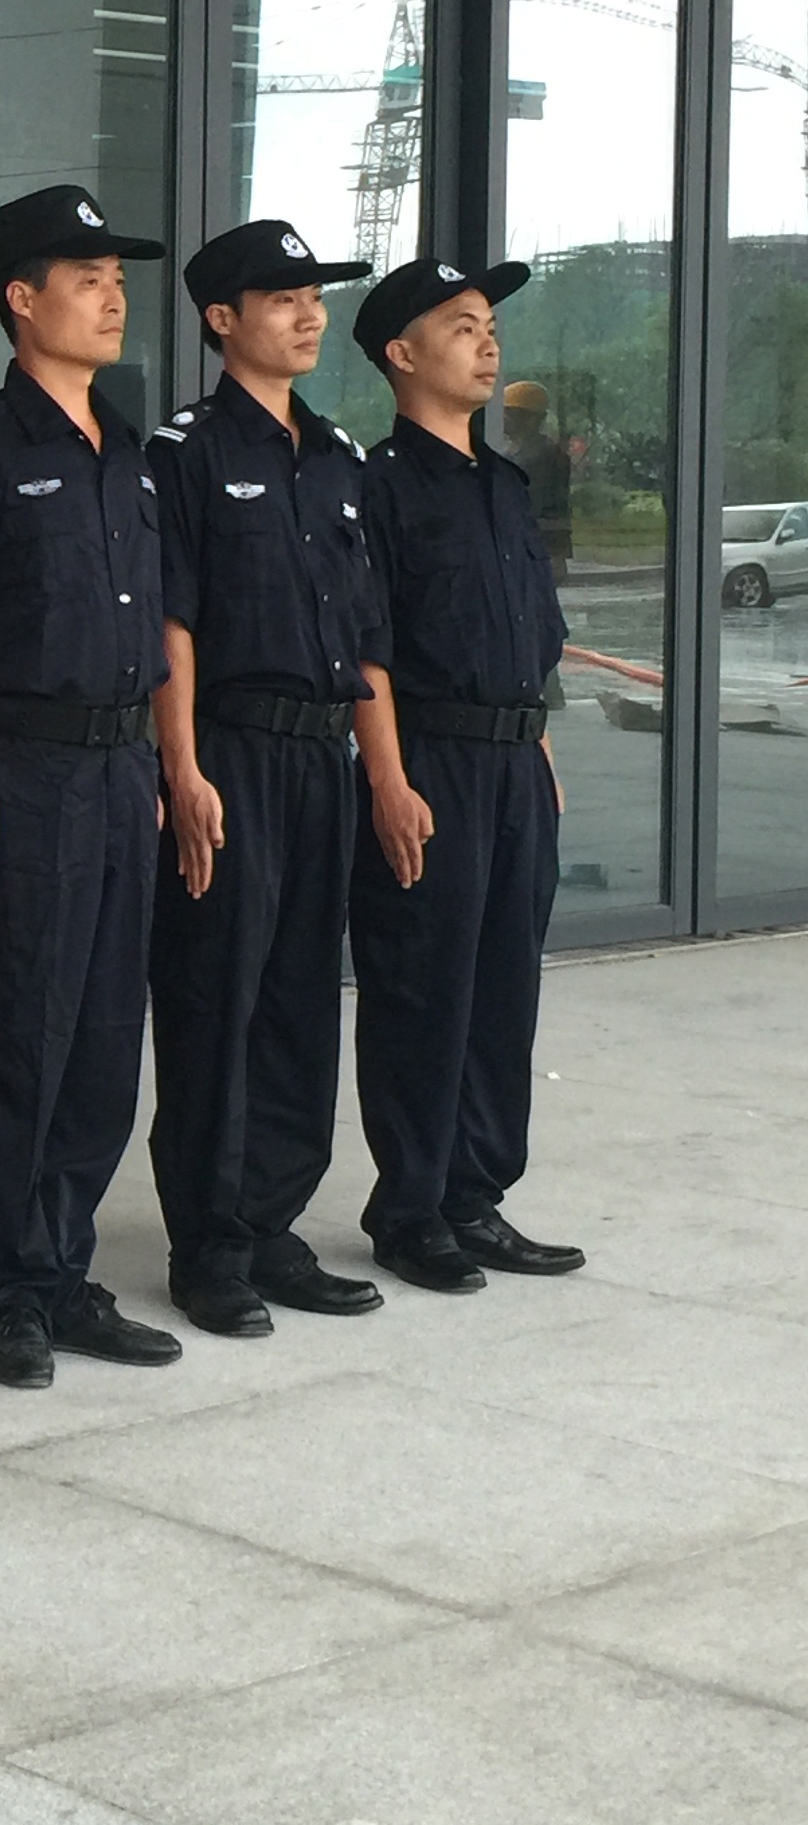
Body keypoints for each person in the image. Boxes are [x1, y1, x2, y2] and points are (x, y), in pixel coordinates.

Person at [0, 185, 184, 1390]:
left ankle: (66, 1270)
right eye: (87, 280)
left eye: (118, 280)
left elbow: (155, 630)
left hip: (120, 773)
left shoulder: (128, 454)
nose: (113, 298)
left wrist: (164, 768)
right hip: (17, 772)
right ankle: (10, 1288)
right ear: (22, 299)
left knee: (104, 1040)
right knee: (13, 1038)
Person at [145, 221, 388, 1340]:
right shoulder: (186, 452)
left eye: (315, 298)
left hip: (320, 756)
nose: (308, 315)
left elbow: (367, 631)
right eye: (283, 298)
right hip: (232, 751)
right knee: (217, 997)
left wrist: (380, 773)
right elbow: (174, 623)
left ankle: (273, 1221)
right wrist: (183, 766)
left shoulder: (337, 457)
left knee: (298, 1000)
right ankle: (209, 1245)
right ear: (221, 318)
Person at [345, 258, 584, 1293]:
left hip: (514, 763)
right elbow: (369, 650)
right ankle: (410, 1210)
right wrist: (388, 781)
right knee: (422, 987)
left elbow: (531, 639)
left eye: (489, 325)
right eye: (461, 326)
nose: (487, 343)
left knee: (502, 988)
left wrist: (541, 754)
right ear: (402, 355)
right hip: (431, 758)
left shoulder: (506, 486)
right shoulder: (377, 488)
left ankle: (475, 1196)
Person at [496, 380, 574, 585]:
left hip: (538, 547)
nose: (503, 418)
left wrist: (556, 553)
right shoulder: (511, 454)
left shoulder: (546, 455)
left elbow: (549, 507)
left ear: (530, 419)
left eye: (509, 413)